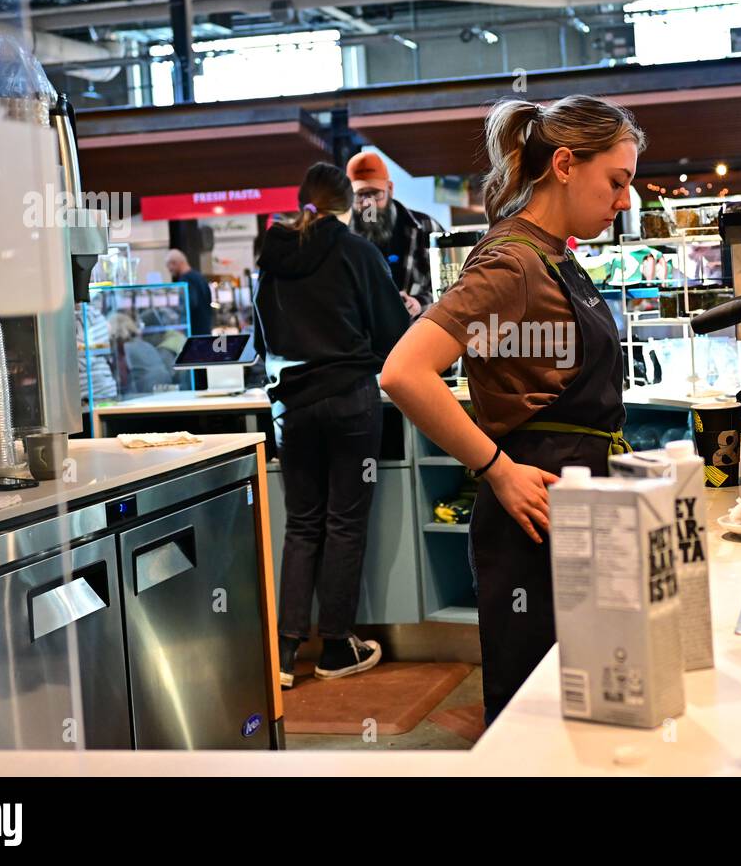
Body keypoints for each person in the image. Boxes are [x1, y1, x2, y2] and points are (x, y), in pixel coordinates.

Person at [382, 95, 644, 723]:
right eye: (617, 181)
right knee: (538, 710)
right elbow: (403, 373)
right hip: (535, 512)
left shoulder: (554, 252)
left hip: (573, 508)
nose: (626, 200)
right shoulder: (512, 261)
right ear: (563, 164)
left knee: (583, 705)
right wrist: (497, 468)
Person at [254, 162, 409, 686]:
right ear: (345, 205)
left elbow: (263, 340)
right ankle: (337, 647)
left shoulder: (272, 260)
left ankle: (283, 653)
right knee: (343, 523)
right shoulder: (357, 252)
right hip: (348, 402)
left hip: (290, 408)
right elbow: (394, 336)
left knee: (302, 525)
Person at [346, 150, 444, 319]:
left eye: (375, 193)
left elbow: (454, 286)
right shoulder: (344, 240)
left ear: (390, 189)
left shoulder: (426, 228)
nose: (368, 203)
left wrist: (419, 303)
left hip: (417, 335)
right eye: (361, 195)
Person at [107, 312, 173, 395]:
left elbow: (123, 380)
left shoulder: (125, 348)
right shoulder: (145, 344)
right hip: (163, 389)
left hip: (145, 393)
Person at [166, 248, 214, 336]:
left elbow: (189, 304)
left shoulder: (185, 280)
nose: (170, 271)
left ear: (175, 263)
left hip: (194, 332)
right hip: (205, 329)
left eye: (170, 268)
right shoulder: (200, 277)